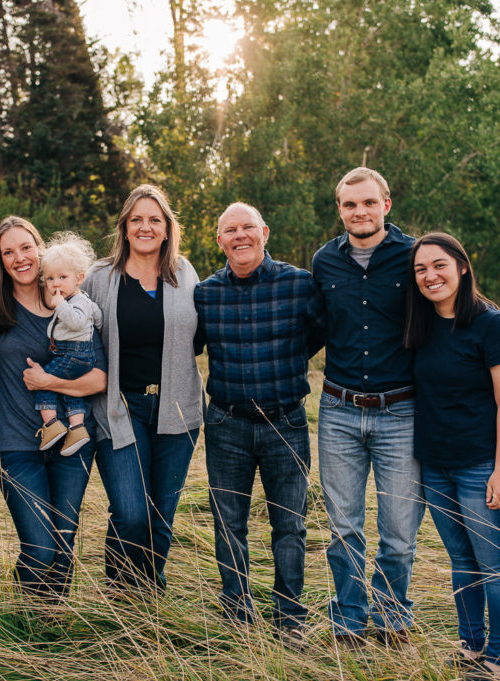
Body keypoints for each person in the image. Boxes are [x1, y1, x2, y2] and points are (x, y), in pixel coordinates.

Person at [194, 202, 324, 646]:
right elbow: (192, 344)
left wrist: (282, 367)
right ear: (220, 241)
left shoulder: (300, 284)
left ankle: (290, 618)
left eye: (248, 227)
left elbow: (317, 335)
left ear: (265, 232)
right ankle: (237, 613)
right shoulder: (206, 293)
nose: (240, 235)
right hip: (226, 425)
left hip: (285, 423)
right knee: (228, 523)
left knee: (289, 524)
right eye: (230, 230)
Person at [311, 167, 426, 646]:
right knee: (344, 527)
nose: (359, 212)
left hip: (400, 412)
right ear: (340, 209)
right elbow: (315, 327)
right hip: (338, 410)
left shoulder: (414, 256)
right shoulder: (324, 261)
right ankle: (350, 618)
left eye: (368, 203)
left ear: (386, 204)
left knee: (399, 531)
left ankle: (392, 615)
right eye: (349, 204)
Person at [406, 232, 500, 680]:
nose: (430, 276)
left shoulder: (492, 325)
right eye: (420, 269)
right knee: (461, 561)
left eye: (439, 266)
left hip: (481, 465)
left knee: (496, 564)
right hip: (435, 465)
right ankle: (472, 646)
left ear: (462, 266)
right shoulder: (422, 324)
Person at [0, 216, 108, 602]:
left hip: (72, 443)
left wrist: (48, 383)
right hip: (17, 444)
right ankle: (23, 618)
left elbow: (99, 377)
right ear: (1, 261)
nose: (19, 258)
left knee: (64, 543)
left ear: (40, 249)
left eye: (26, 247)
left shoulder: (69, 301)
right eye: (8, 252)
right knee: (39, 548)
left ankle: (51, 628)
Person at [83, 184, 202, 594]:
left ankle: (147, 597)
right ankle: (119, 590)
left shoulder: (185, 274)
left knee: (161, 515)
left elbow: (201, 336)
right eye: (137, 219)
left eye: (154, 219)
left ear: (167, 228)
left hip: (178, 409)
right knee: (131, 512)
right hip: (119, 408)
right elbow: (75, 331)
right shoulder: (100, 277)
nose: (145, 227)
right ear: (125, 227)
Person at [31, 232, 103, 456]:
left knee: (46, 381)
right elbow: (97, 317)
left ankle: (51, 424)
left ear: (79, 278)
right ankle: (77, 428)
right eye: (50, 278)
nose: (56, 284)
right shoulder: (83, 300)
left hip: (74, 353)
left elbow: (77, 321)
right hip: (75, 354)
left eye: (62, 277)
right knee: (71, 391)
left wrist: (60, 304)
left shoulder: (74, 301)